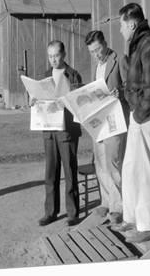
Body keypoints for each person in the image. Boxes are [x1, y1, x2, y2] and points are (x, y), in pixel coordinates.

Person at [113, 3, 150, 243]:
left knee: (144, 170)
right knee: (130, 168)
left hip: (145, 116)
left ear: (132, 23)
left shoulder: (149, 46)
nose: (121, 30)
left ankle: (148, 226)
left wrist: (138, 114)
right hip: (139, 115)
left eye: (122, 25)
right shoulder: (138, 46)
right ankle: (132, 218)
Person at [36, 40, 82, 227]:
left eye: (56, 55)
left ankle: (72, 213)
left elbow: (80, 101)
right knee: (50, 173)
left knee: (70, 171)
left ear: (63, 55)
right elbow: (38, 98)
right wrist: (33, 100)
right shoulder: (45, 76)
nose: (53, 60)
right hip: (49, 130)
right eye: (50, 56)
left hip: (67, 130)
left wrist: (68, 100)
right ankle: (51, 212)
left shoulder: (73, 75)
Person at [85, 30, 129, 225]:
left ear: (105, 43)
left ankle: (119, 207)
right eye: (92, 52)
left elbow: (131, 86)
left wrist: (120, 92)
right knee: (100, 163)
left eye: (98, 50)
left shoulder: (119, 60)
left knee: (113, 163)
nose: (96, 55)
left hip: (115, 120)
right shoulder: (96, 66)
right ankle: (106, 201)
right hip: (98, 121)